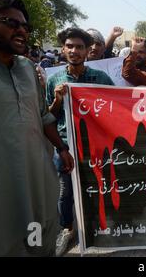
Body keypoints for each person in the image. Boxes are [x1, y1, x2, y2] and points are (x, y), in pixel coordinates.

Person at [0, 0, 74, 256]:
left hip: (36, 181)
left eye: (25, 25)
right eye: (11, 23)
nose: (21, 30)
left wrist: (61, 148)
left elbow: (42, 115)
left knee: (40, 244)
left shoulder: (26, 68)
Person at [46, 27, 114, 257]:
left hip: (94, 145)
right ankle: (67, 229)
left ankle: (97, 227)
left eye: (79, 47)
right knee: (65, 192)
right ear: (63, 49)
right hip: (65, 145)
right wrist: (57, 100)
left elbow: (115, 107)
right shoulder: (55, 80)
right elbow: (49, 117)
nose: (74, 51)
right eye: (70, 46)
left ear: (87, 51)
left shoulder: (101, 78)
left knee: (97, 187)